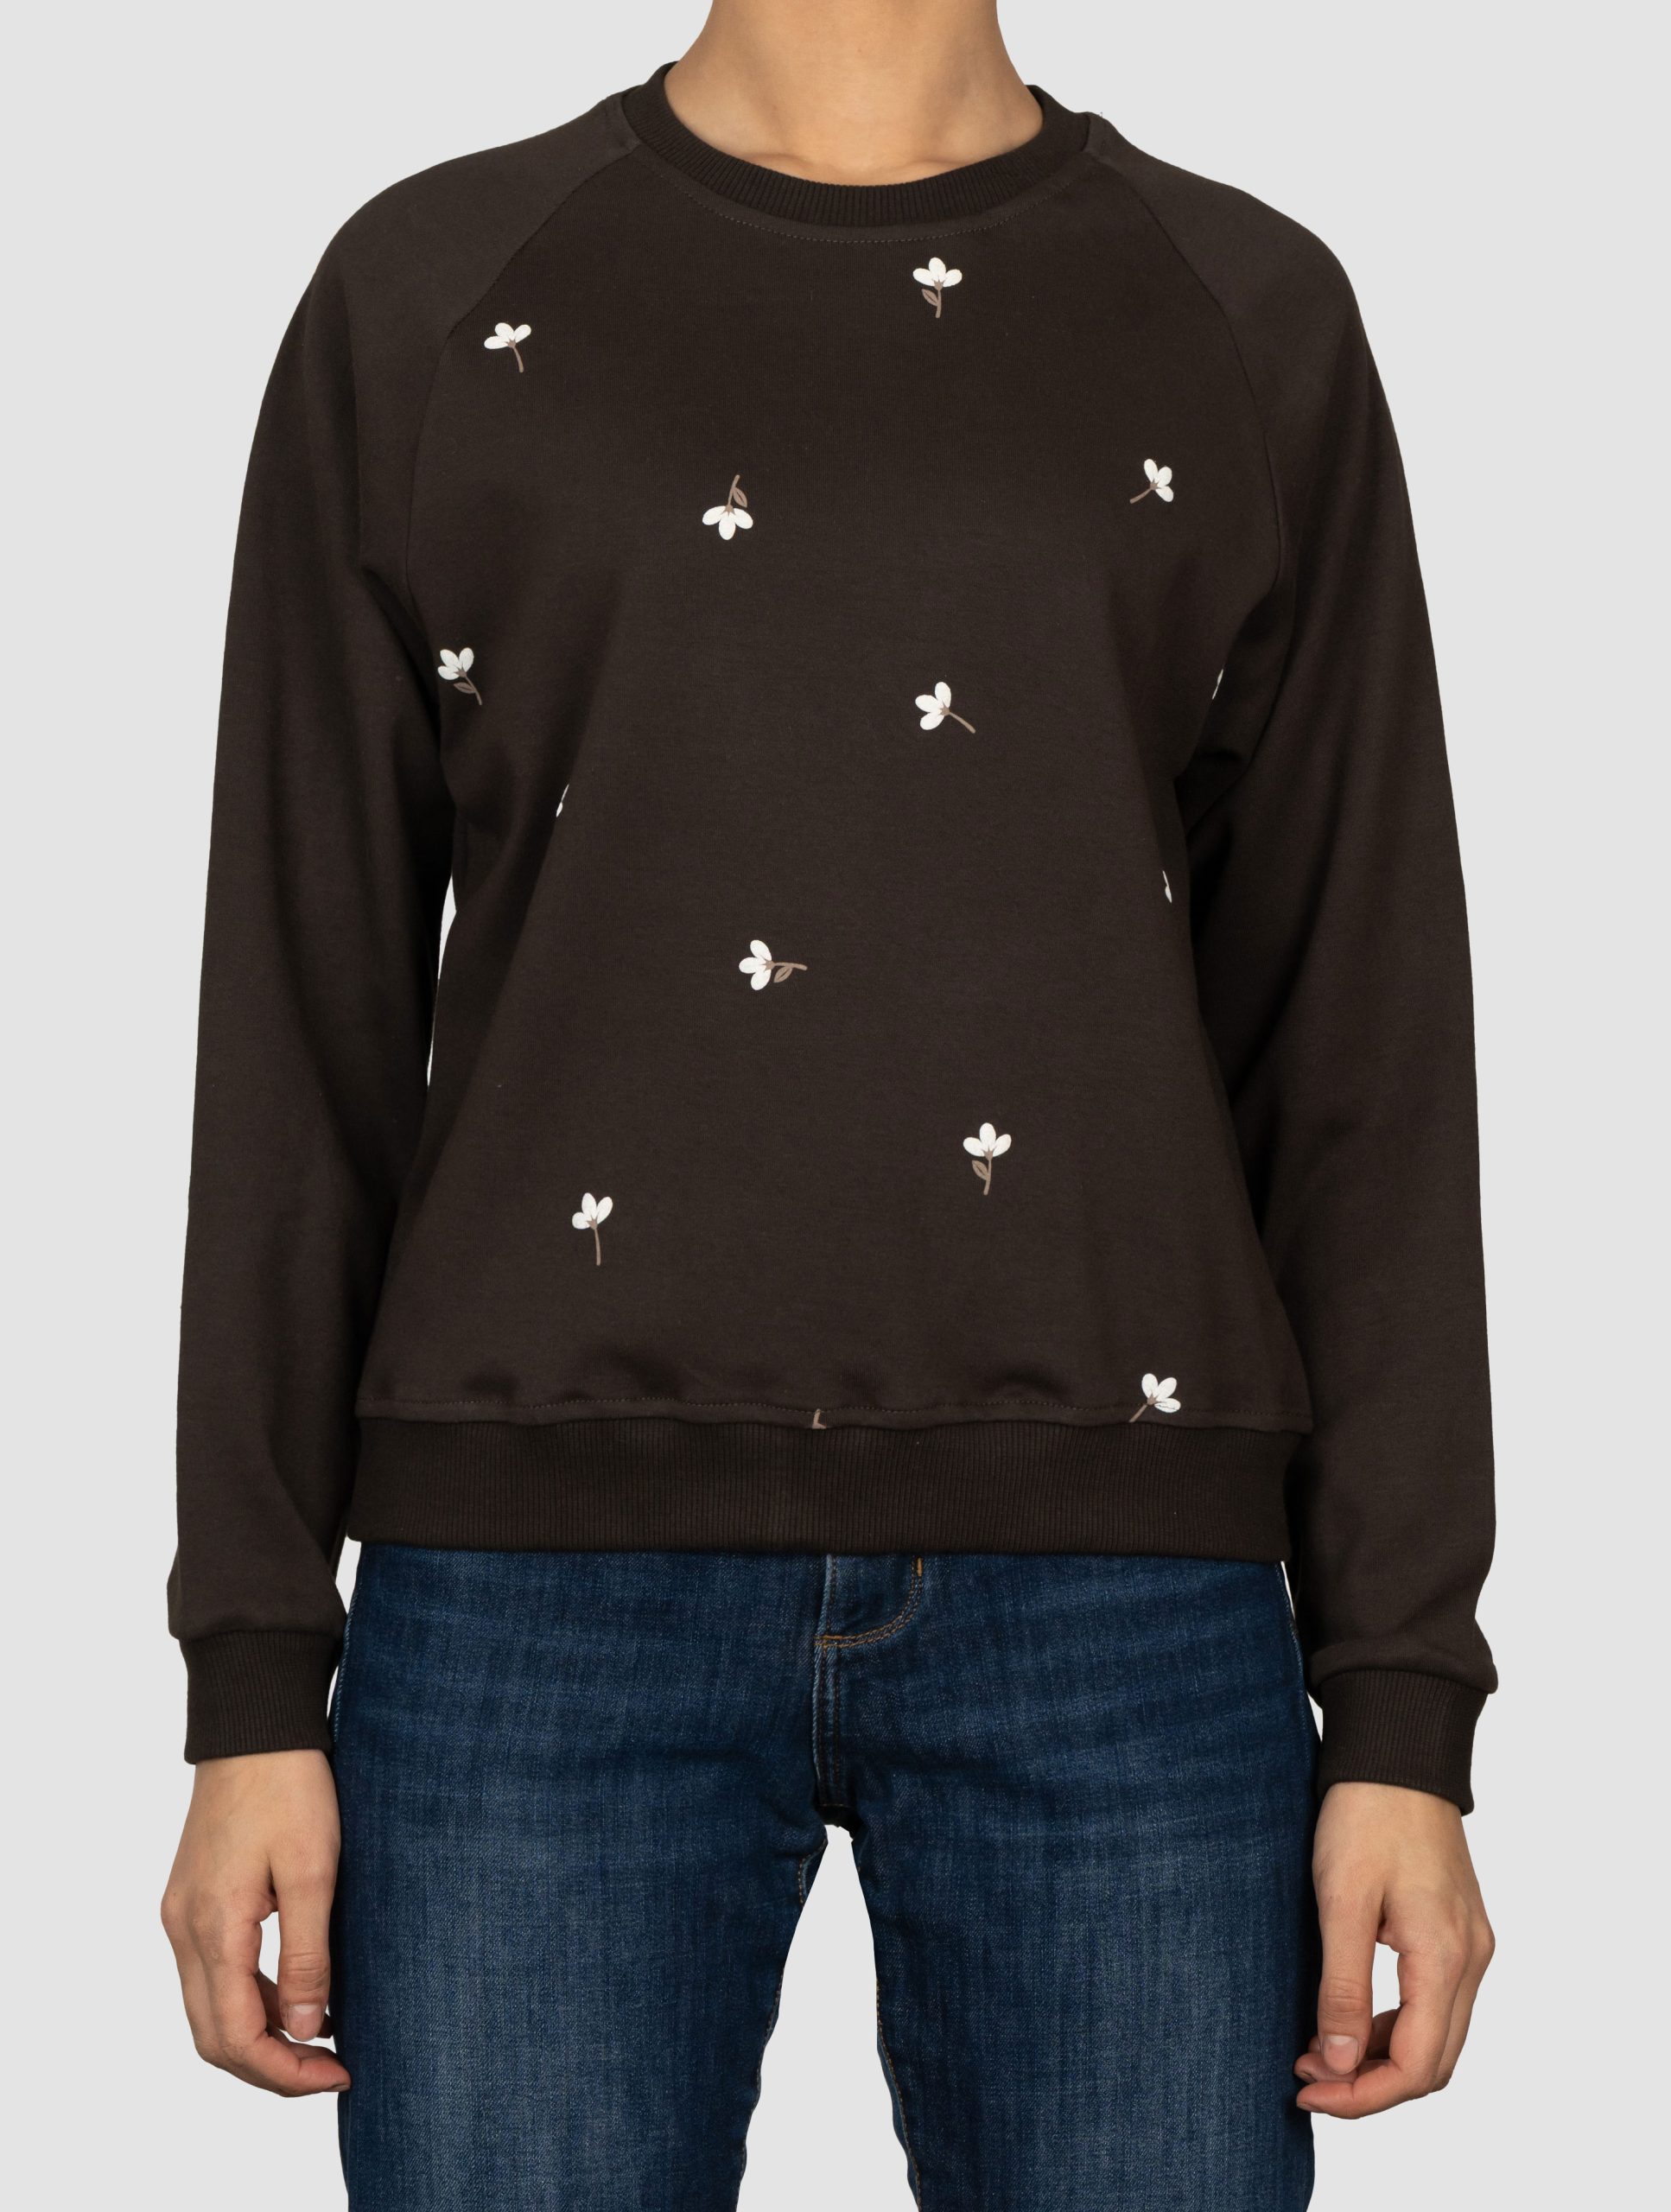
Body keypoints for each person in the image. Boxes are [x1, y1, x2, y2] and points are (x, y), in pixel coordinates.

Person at [161, 3, 1496, 2204]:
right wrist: (249, 1672)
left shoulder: (1242, 313)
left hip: (1126, 1600)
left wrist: (1402, 1707)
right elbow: (299, 1017)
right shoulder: (433, 292)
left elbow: (1358, 1044)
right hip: (530, 1595)